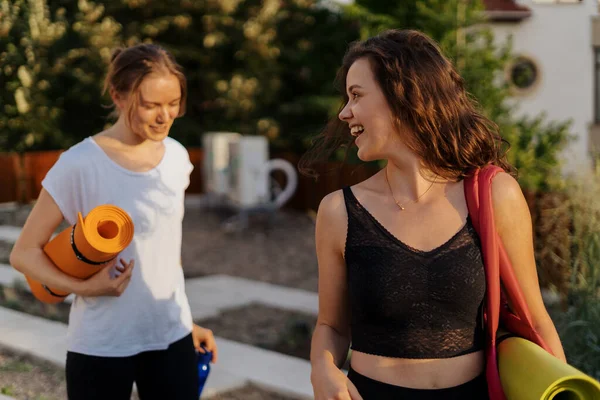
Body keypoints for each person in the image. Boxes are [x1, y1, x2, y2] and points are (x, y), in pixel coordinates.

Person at [300, 29, 566, 400]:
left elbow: (535, 319)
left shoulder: (494, 194)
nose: (345, 113)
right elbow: (331, 325)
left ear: (404, 95)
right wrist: (321, 368)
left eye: (356, 95)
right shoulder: (339, 211)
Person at [10, 43, 218, 400]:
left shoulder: (177, 159)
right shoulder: (79, 164)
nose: (164, 116)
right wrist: (86, 288)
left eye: (173, 104)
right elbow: (24, 253)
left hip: (171, 336)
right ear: (117, 96)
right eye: (151, 105)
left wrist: (187, 320)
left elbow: (165, 253)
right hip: (101, 343)